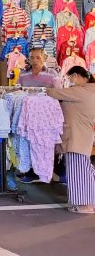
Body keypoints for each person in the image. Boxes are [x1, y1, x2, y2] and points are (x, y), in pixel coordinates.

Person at [46, 66, 95, 214]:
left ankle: (85, 204)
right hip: (80, 135)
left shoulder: (82, 91)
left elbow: (54, 93)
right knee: (83, 169)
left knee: (79, 171)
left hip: (77, 136)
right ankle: (85, 203)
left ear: (76, 76)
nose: (70, 82)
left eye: (70, 78)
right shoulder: (89, 90)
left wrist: (42, 89)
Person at [17, 48, 63, 184]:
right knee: (29, 142)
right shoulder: (23, 74)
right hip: (29, 115)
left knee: (48, 144)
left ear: (44, 58)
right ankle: (31, 172)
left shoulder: (52, 74)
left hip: (47, 117)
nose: (35, 60)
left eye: (38, 57)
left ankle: (52, 171)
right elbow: (17, 91)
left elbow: (59, 93)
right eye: (32, 58)